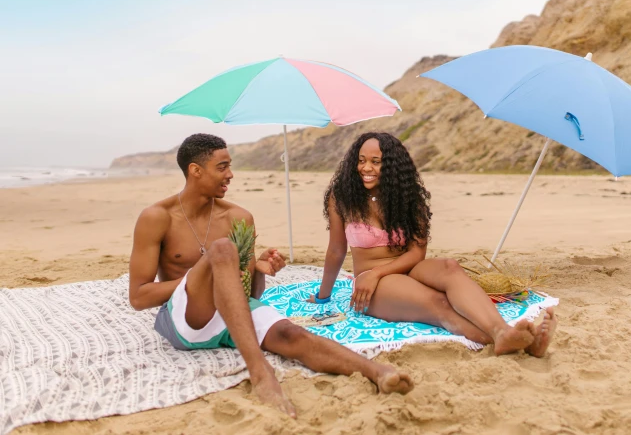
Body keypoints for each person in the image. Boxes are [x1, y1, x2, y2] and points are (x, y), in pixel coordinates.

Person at [129, 133, 413, 419]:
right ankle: (261, 373)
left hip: (231, 312)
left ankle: (377, 372)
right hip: (187, 317)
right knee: (222, 250)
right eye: (222, 167)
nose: (230, 175)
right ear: (195, 170)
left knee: (292, 334)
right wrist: (207, 274)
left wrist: (255, 270)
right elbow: (139, 297)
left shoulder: (239, 217)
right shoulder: (157, 217)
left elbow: (251, 295)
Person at [309, 132, 557, 357]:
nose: (366, 168)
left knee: (449, 267)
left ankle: (503, 331)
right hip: (372, 284)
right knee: (439, 303)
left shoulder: (408, 196)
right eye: (361, 160)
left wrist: (379, 271)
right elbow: (336, 250)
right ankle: (507, 341)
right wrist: (323, 296)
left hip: (405, 268)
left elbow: (417, 252)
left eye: (376, 161)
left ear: (392, 166)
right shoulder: (342, 196)